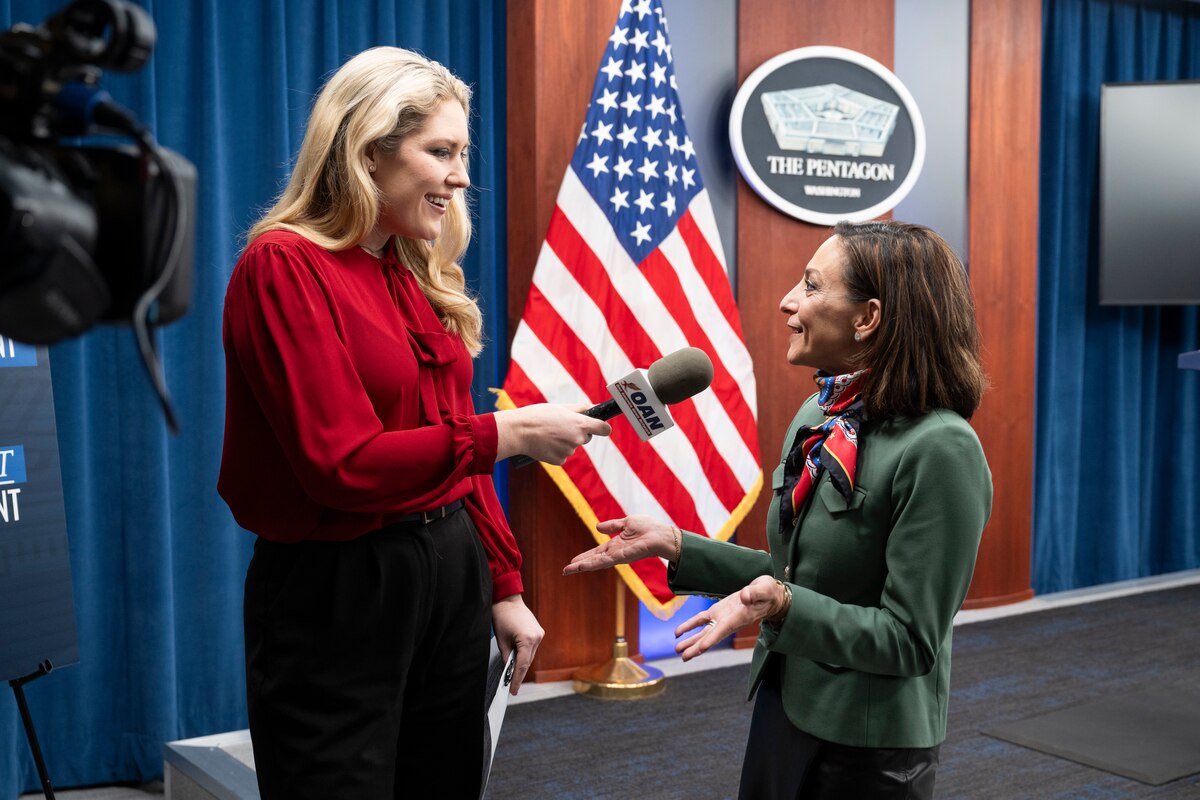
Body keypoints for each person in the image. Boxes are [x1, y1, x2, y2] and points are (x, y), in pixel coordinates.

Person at [218, 46, 611, 799]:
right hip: (342, 582)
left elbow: (450, 443)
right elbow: (341, 464)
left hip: (449, 565)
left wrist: (502, 582)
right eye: (441, 152)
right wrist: (513, 434)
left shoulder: (410, 269)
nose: (462, 176)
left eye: (463, 152)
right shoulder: (282, 267)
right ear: (368, 150)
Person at [565, 220, 992, 799]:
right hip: (785, 701)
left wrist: (784, 605)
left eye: (813, 286)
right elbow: (796, 574)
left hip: (867, 744)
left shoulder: (942, 448)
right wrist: (678, 544)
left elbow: (909, 640)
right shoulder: (819, 417)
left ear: (868, 318)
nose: (789, 301)